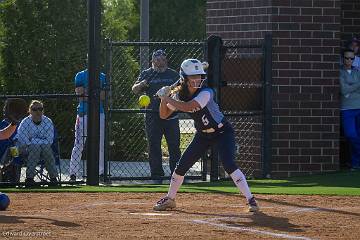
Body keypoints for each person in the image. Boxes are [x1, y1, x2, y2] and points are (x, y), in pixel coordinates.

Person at [152, 59, 259, 212]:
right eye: (193, 77)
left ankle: (251, 199)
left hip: (222, 132)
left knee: (228, 163)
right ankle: (170, 199)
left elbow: (189, 106)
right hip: (202, 135)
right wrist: (164, 99)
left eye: (199, 76)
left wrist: (166, 97)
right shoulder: (180, 95)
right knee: (181, 165)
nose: (197, 80)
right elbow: (163, 115)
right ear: (184, 78)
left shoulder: (207, 92)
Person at [132, 49, 181, 179]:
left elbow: (181, 89)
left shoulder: (173, 75)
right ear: (152, 61)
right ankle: (157, 175)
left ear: (166, 60)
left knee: (174, 146)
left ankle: (176, 174)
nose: (161, 62)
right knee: (154, 146)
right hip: (152, 116)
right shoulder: (146, 74)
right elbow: (134, 89)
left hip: (171, 115)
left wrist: (171, 91)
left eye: (163, 59)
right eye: (157, 59)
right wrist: (142, 84)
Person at [69, 67, 106, 181]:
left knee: (100, 143)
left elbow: (102, 96)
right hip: (83, 113)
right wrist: (94, 93)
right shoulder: (80, 75)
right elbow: (80, 95)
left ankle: (100, 173)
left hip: (98, 112)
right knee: (79, 143)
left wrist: (87, 92)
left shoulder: (102, 76)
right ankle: (73, 174)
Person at [16, 100, 58, 186]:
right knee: (36, 147)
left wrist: (34, 140)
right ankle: (30, 178)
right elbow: (23, 140)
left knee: (43, 147)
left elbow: (50, 140)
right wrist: (38, 142)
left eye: (40, 109)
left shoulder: (48, 121)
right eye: (35, 109)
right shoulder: (25, 122)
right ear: (30, 111)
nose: (38, 111)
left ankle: (53, 179)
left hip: (44, 149)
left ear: (43, 110)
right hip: (26, 149)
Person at [340, 49, 360, 171]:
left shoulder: (357, 71)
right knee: (351, 135)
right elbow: (344, 90)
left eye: (351, 58)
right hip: (346, 108)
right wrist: (357, 86)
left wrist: (350, 88)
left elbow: (348, 89)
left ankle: (355, 163)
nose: (349, 60)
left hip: (359, 107)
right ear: (343, 58)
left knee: (357, 136)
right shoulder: (339, 72)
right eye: (347, 58)